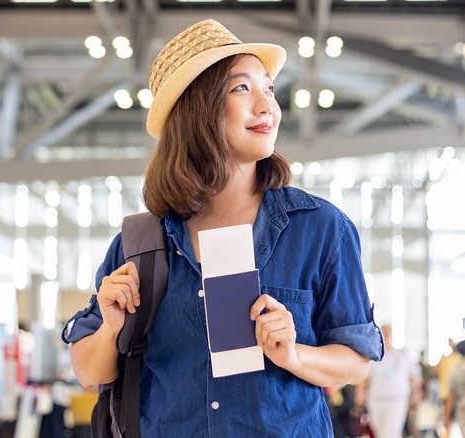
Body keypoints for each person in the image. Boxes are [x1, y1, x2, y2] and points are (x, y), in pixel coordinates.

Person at [61, 19, 383, 436]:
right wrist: (111, 328)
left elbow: (356, 360)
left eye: (268, 88)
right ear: (197, 110)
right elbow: (89, 370)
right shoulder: (139, 244)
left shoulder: (320, 229)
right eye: (242, 88)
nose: (267, 106)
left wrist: (293, 355)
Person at [355, 324, 420, 438]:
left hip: (397, 400)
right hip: (376, 400)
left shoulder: (402, 356)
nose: (385, 336)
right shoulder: (373, 357)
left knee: (392, 432)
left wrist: (416, 393)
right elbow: (364, 377)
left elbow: (413, 377)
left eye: (387, 333)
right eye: (383, 333)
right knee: (379, 432)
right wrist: (359, 394)